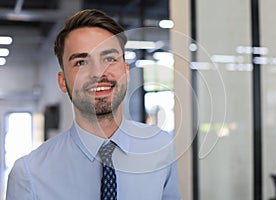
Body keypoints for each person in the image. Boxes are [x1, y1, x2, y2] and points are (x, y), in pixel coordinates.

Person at [6, 9, 181, 200]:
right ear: (63, 81)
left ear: (126, 71)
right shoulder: (29, 174)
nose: (98, 73)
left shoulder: (161, 147)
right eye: (81, 62)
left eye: (109, 59)